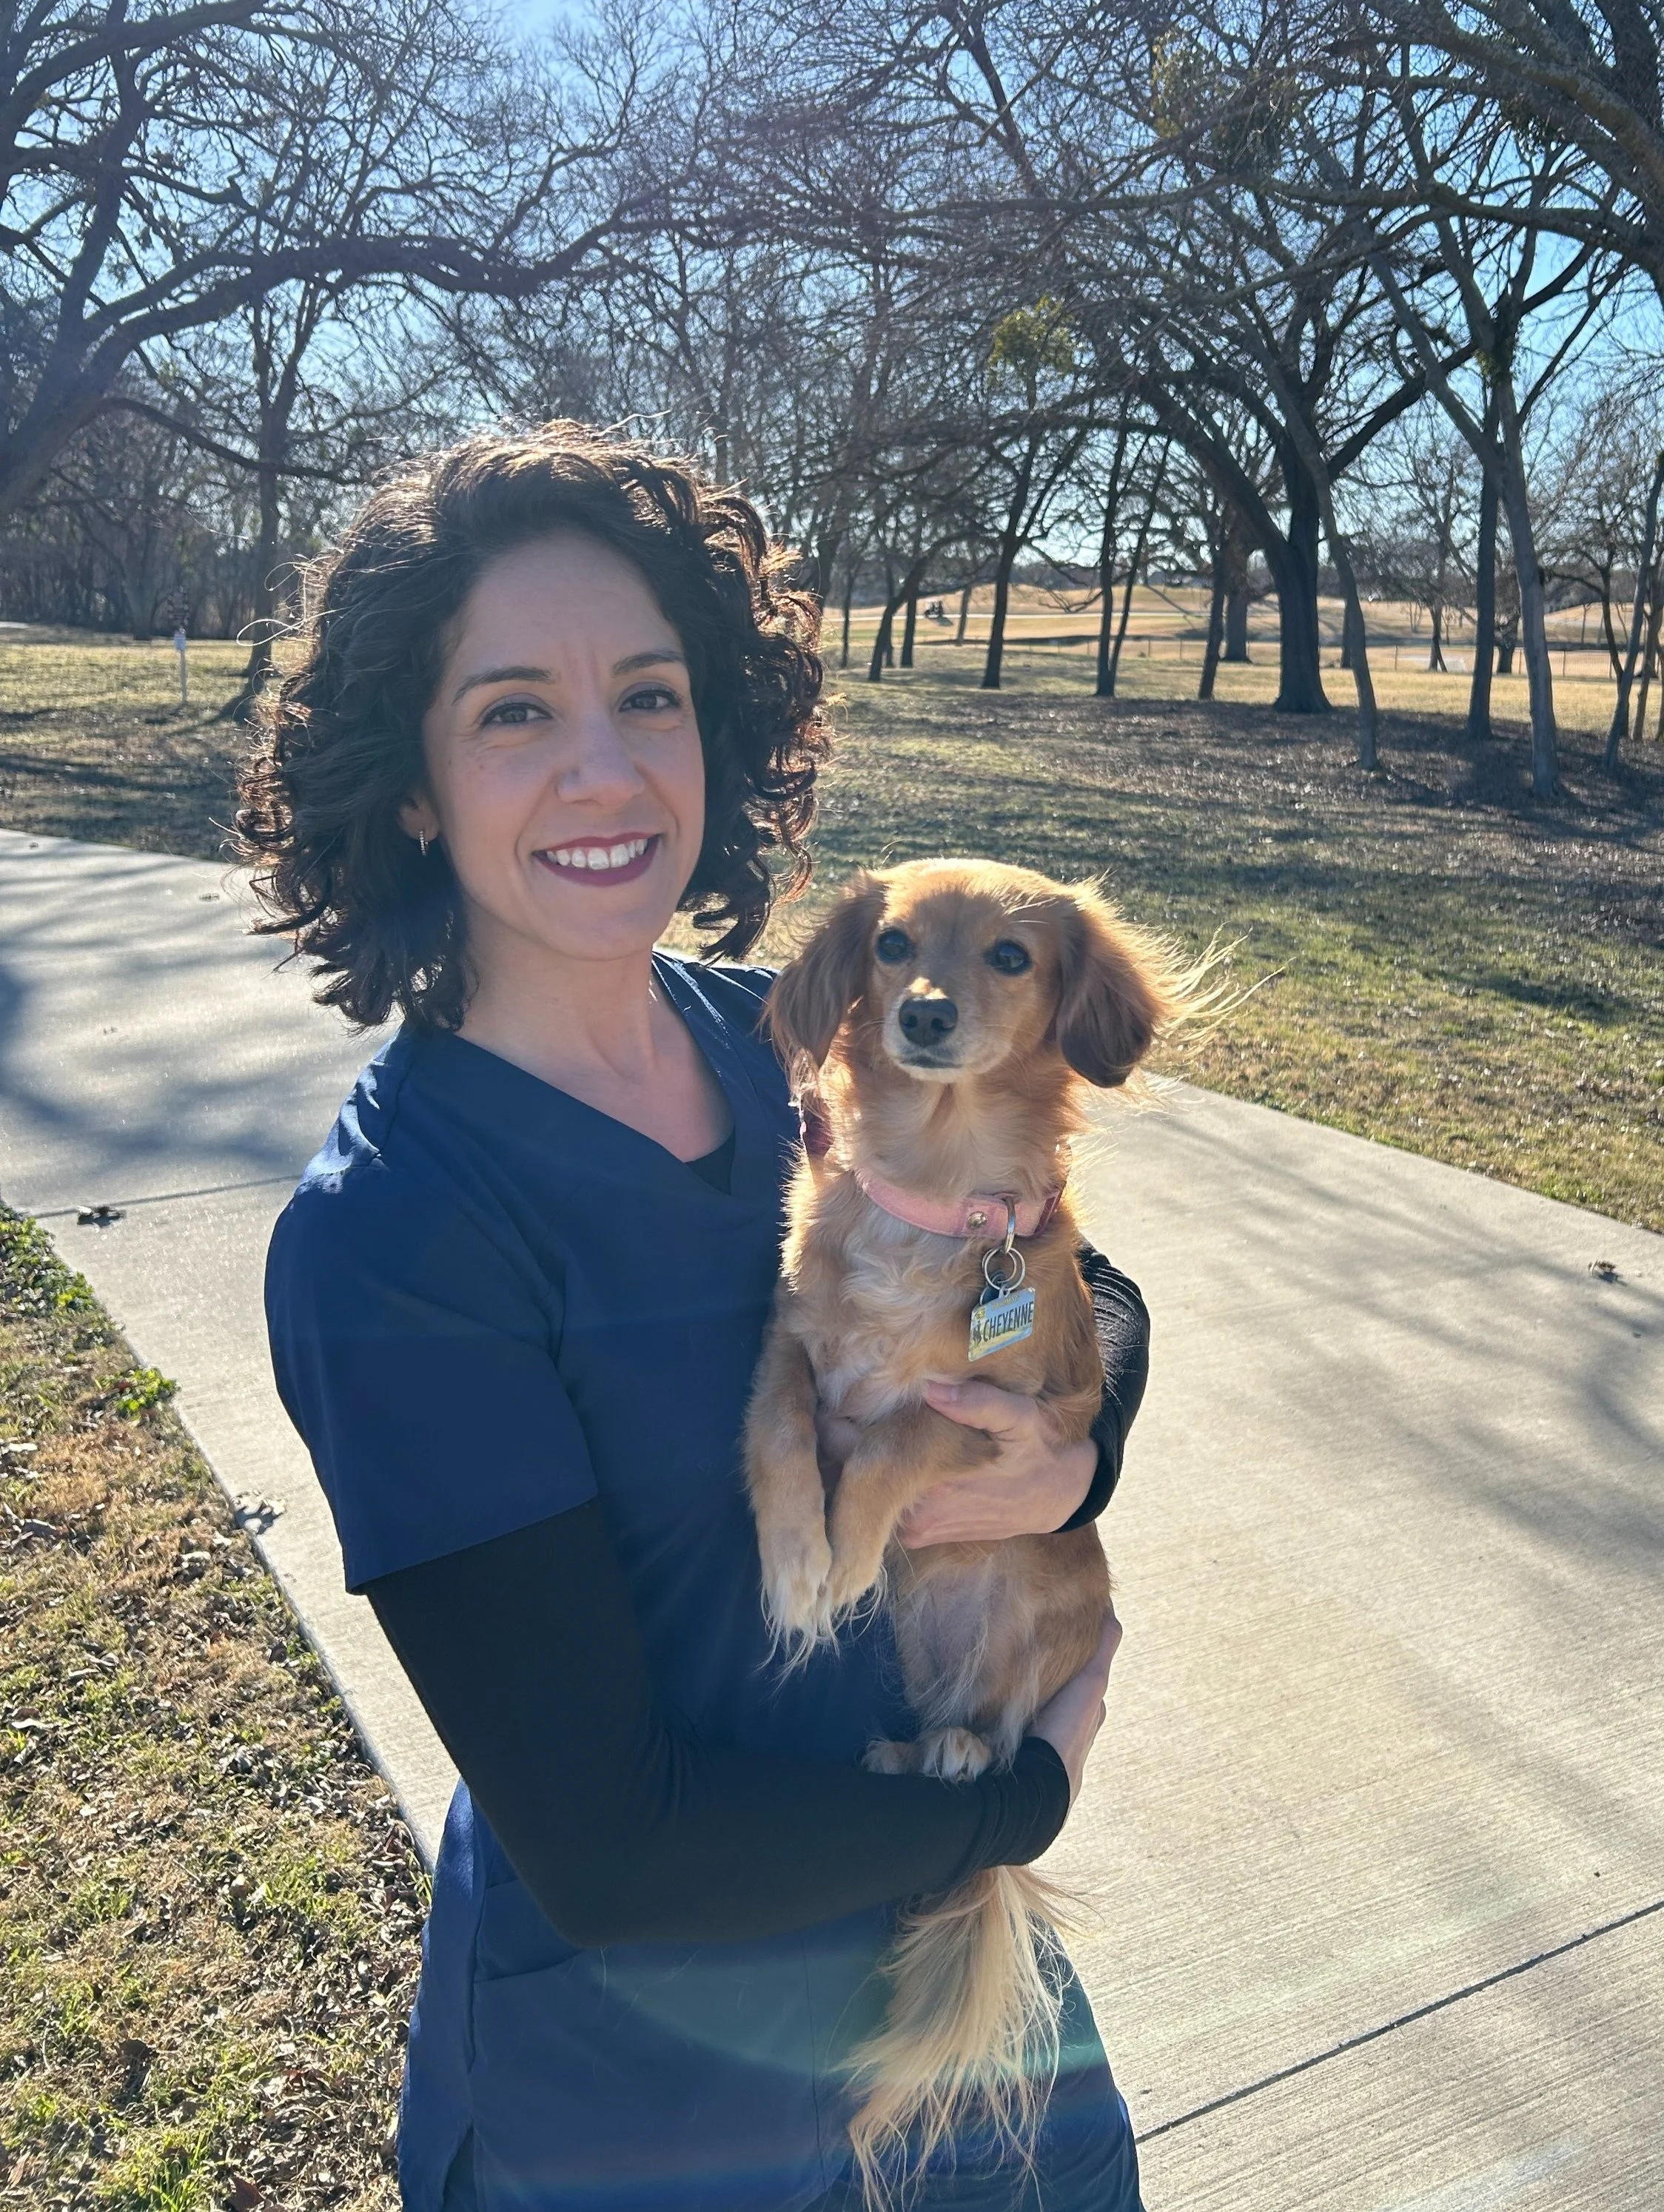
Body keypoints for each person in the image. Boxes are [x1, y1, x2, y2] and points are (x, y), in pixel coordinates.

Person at [241, 424, 1150, 2212]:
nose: (603, 769)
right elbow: (612, 1844)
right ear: (413, 782)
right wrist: (1008, 1814)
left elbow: (1058, 1266)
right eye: (513, 710)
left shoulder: (794, 1044)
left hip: (969, 2030)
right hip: (659, 2096)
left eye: (647, 697)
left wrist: (1075, 1446)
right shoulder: (398, 1242)